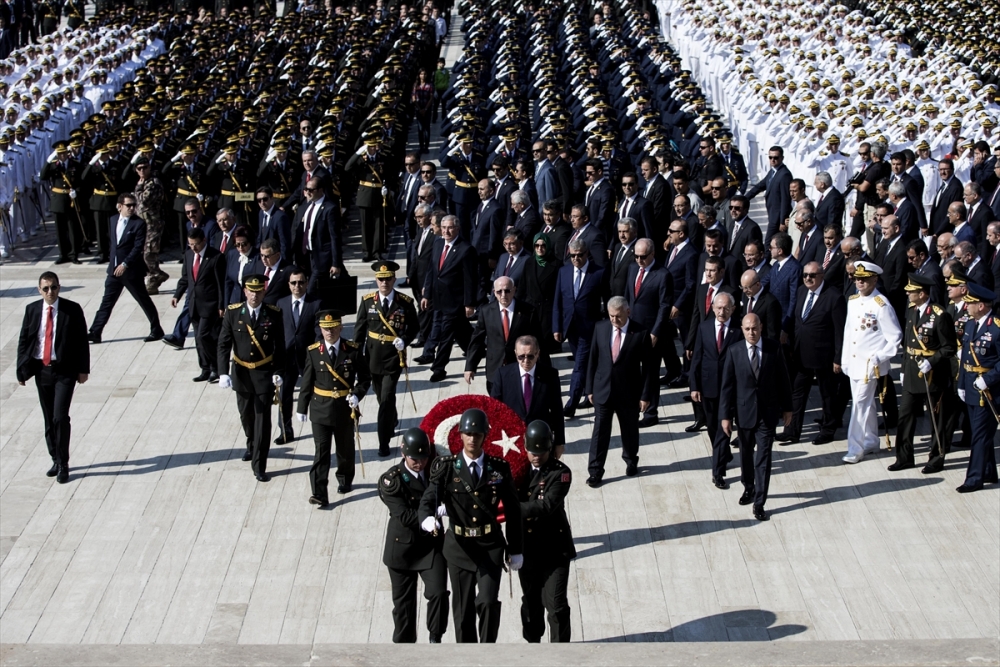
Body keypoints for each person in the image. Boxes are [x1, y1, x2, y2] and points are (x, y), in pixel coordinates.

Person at [419, 408, 522, 643]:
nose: (472, 439)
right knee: (463, 611)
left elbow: (514, 511)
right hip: (459, 548)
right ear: (460, 436)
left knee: (487, 602)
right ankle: (466, 656)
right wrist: (427, 518)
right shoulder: (446, 468)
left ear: (485, 436)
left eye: (477, 434)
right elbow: (429, 498)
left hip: (490, 547)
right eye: (468, 434)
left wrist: (515, 548)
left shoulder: (499, 468)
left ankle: (487, 652)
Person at [16, 272, 90, 484]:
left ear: (59, 288)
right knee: (48, 418)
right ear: (39, 290)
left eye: (54, 287)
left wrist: (83, 369)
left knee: (60, 417)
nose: (50, 292)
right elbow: (25, 340)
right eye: (46, 288)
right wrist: (21, 370)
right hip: (42, 370)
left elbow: (81, 341)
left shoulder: (72, 309)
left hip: (64, 371)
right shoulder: (32, 310)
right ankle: (55, 459)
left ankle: (64, 463)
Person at [378, 428, 449, 643]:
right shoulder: (392, 481)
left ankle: (435, 638)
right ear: (403, 453)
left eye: (424, 458)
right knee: (404, 608)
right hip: (403, 549)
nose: (420, 463)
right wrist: (428, 516)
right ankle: (404, 651)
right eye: (414, 459)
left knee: (438, 593)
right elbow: (403, 514)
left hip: (431, 545)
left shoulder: (435, 472)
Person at [719, 314, 793, 522]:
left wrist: (788, 408)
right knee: (745, 455)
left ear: (761, 327)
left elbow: (783, 379)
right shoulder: (734, 351)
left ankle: (760, 502)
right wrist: (725, 416)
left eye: (755, 329)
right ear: (742, 329)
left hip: (767, 414)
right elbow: (727, 387)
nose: (751, 333)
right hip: (744, 414)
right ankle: (748, 487)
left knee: (764, 458)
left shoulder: (773, 348)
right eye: (747, 329)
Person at [217, 274, 286, 482]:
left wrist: (279, 371)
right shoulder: (233, 313)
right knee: (247, 416)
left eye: (258, 291)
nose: (254, 295)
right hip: (241, 374)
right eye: (250, 291)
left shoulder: (273, 314)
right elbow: (223, 344)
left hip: (264, 374)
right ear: (245, 291)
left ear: (264, 292)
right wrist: (222, 372)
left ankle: (259, 464)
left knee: (263, 421)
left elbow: (280, 346)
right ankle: (251, 443)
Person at [296, 310, 371, 500]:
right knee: (321, 452)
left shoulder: (352, 350)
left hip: (344, 408)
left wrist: (357, 394)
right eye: (326, 329)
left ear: (340, 327)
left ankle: (345, 479)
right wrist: (301, 408)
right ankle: (319, 492)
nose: (329, 332)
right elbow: (307, 381)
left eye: (333, 328)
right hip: (320, 409)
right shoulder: (313, 352)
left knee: (344, 449)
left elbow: (365, 378)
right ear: (321, 329)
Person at [584, 296, 655, 486]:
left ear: (628, 312)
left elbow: (649, 368)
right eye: (611, 316)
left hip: (629, 393)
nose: (614, 320)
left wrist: (646, 395)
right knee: (600, 433)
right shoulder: (601, 328)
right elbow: (593, 359)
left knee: (630, 431)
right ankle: (595, 471)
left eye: (618, 316)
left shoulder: (640, 333)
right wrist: (589, 388)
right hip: (603, 391)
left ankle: (631, 460)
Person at [517, 420, 575, 643]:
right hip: (527, 549)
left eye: (541, 451)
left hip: (554, 550)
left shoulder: (561, 473)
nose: (536, 456)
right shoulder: (517, 468)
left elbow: (547, 506)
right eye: (532, 451)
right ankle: (532, 647)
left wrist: (512, 509)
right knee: (531, 603)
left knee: (556, 605)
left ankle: (560, 653)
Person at [354, 261, 419, 457]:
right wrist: (355, 358)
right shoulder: (367, 302)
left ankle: (384, 441)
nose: (384, 283)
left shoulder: (405, 302)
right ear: (376, 280)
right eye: (381, 279)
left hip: (393, 359)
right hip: (372, 358)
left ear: (393, 279)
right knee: (381, 394)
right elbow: (359, 332)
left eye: (388, 279)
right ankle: (392, 418)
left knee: (387, 398)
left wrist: (404, 340)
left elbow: (414, 328)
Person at [891, 275, 956, 472]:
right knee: (905, 417)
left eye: (911, 291)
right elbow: (908, 342)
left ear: (922, 293)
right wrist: (903, 369)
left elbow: (949, 348)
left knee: (936, 421)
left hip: (932, 375)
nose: (908, 293)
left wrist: (931, 361)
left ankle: (936, 459)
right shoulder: (911, 310)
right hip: (912, 371)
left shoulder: (939, 314)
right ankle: (904, 457)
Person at [840, 261, 903, 464]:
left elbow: (895, 337)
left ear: (874, 280)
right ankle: (871, 440)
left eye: (864, 279)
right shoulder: (852, 301)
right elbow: (849, 333)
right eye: (857, 279)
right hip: (854, 362)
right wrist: (845, 360)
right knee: (866, 404)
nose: (860, 282)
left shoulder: (881, 304)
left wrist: (881, 356)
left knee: (859, 405)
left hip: (870, 365)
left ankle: (854, 448)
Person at [778, 262, 847, 445]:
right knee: (797, 393)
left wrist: (838, 358)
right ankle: (791, 430)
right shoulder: (802, 291)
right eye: (805, 275)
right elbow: (797, 322)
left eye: (812, 275)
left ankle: (828, 429)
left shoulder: (834, 297)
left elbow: (840, 331)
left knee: (828, 394)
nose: (808, 278)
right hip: (801, 354)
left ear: (821, 276)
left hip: (824, 357)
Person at [88, 193, 165, 345]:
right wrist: (114, 264)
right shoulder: (112, 220)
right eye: (128, 205)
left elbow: (137, 248)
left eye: (133, 205)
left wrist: (125, 264)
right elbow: (114, 245)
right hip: (114, 271)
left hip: (131, 272)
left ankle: (156, 329)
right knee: (106, 302)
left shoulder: (139, 224)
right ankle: (95, 332)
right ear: (119, 206)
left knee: (143, 300)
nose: (132, 208)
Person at [689, 291, 742, 489]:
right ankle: (724, 452)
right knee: (713, 428)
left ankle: (718, 472)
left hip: (730, 389)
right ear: (712, 308)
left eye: (726, 308)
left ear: (733, 309)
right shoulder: (704, 328)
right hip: (708, 387)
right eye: (718, 308)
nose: (722, 311)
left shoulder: (738, 330)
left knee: (722, 430)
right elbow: (697, 359)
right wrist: (694, 386)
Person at [417, 215, 477, 382]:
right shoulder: (437, 244)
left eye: (450, 228)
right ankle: (476, 349)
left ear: (457, 228)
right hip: (437, 299)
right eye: (443, 228)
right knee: (461, 330)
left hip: (455, 301)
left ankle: (438, 368)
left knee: (446, 335)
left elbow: (470, 279)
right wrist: (426, 294)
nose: (446, 231)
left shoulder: (466, 249)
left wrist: (469, 303)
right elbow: (432, 271)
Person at [552, 240, 605, 418]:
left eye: (579, 255)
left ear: (586, 253)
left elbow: (607, 300)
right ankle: (589, 391)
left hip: (589, 329)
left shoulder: (598, 273)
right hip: (570, 328)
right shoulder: (564, 271)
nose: (576, 258)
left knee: (580, 366)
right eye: (572, 255)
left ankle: (571, 403)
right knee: (583, 364)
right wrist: (557, 327)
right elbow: (558, 302)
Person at [955, 283, 1000, 493]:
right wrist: (961, 383)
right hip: (971, 386)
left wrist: (989, 379)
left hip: (989, 390)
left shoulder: (996, 327)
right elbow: (965, 356)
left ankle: (974, 478)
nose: (966, 306)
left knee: (980, 435)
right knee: (979, 431)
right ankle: (989, 471)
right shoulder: (971, 324)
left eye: (970, 303)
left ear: (981, 305)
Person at [490, 335, 565, 458]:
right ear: (515, 354)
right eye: (521, 357)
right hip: (511, 439)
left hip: (540, 440)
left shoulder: (550, 375)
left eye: (530, 356)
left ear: (538, 353)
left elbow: (557, 411)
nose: (526, 361)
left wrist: (559, 442)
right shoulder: (503, 375)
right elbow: (494, 409)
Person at [625, 238, 673, 427]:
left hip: (652, 332)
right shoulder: (632, 269)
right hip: (633, 329)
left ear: (652, 254)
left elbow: (664, 306)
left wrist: (656, 332)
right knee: (632, 371)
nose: (639, 260)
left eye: (643, 257)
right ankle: (635, 406)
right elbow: (629, 297)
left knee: (650, 373)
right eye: (636, 256)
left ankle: (651, 412)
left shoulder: (662, 275)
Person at [465, 276, 540, 393]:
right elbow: (477, 340)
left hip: (519, 366)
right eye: (500, 291)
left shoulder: (528, 311)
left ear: (514, 290)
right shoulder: (486, 311)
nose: (503, 295)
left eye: (507, 290)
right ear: (494, 292)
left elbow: (538, 341)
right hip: (494, 368)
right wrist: (470, 366)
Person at [171, 227, 225, 383]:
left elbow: (220, 284)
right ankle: (205, 368)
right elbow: (185, 278)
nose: (193, 247)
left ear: (204, 241)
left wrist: (221, 305)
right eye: (190, 244)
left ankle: (216, 368)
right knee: (198, 338)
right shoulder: (188, 255)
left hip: (210, 305)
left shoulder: (216, 257)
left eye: (196, 244)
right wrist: (177, 295)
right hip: (194, 304)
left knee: (204, 336)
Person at [275, 268, 321, 444]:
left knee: (315, 394)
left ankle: (320, 427)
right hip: (287, 358)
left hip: (308, 357)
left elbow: (318, 332)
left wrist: (315, 354)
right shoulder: (281, 303)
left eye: (301, 282)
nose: (297, 286)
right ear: (288, 285)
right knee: (285, 396)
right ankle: (285, 431)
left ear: (307, 283)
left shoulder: (315, 303)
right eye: (294, 283)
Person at [519, 233, 563, 356]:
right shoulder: (529, 262)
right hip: (531, 307)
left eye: (543, 245)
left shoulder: (557, 264)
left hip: (548, 309)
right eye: (537, 245)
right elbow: (522, 286)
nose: (540, 248)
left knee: (545, 348)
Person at [744, 146, 793, 244]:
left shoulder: (784, 175)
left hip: (778, 217)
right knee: (775, 243)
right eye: (770, 157)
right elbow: (760, 186)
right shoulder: (773, 171)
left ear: (782, 158)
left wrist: (782, 221)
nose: (773, 160)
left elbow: (785, 199)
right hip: (772, 214)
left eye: (776, 158)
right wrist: (744, 199)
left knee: (768, 243)